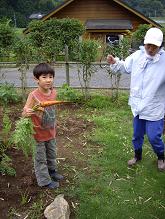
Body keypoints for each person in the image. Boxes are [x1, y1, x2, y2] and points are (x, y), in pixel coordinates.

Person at [107, 27, 165, 171]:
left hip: (154, 106)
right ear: (144, 43)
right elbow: (125, 67)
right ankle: (137, 156)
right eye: (148, 45)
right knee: (137, 134)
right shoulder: (137, 55)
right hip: (138, 105)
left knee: (153, 137)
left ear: (160, 46)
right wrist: (115, 62)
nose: (150, 49)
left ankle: (161, 156)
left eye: (154, 46)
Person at [22, 63, 64, 189]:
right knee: (40, 158)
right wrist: (27, 112)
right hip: (37, 133)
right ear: (36, 79)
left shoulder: (53, 93)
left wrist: (55, 121)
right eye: (44, 77)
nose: (48, 80)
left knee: (51, 153)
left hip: (51, 131)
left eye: (51, 77)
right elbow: (24, 113)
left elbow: (52, 110)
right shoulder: (33, 95)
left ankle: (52, 171)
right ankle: (44, 181)